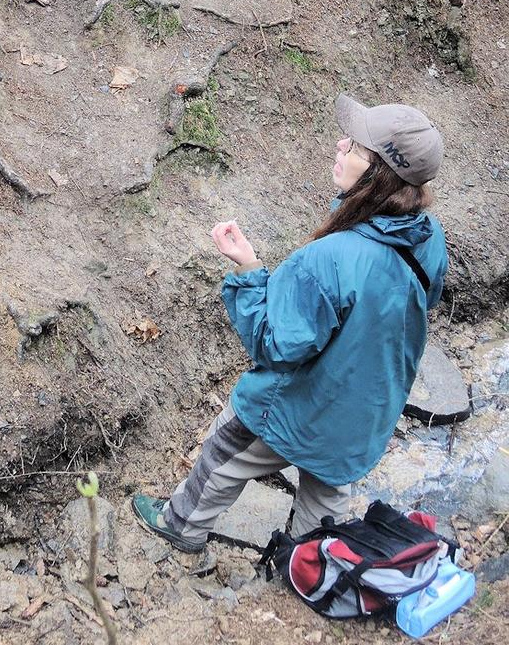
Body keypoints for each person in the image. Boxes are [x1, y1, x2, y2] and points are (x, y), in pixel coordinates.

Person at [132, 93, 447, 553]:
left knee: (226, 453)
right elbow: (425, 298)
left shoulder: (330, 259)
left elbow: (274, 343)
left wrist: (247, 270)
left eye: (355, 147)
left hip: (298, 406)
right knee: (327, 492)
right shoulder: (429, 236)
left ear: (380, 173)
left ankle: (179, 525)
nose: (341, 145)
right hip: (367, 413)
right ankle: (305, 568)